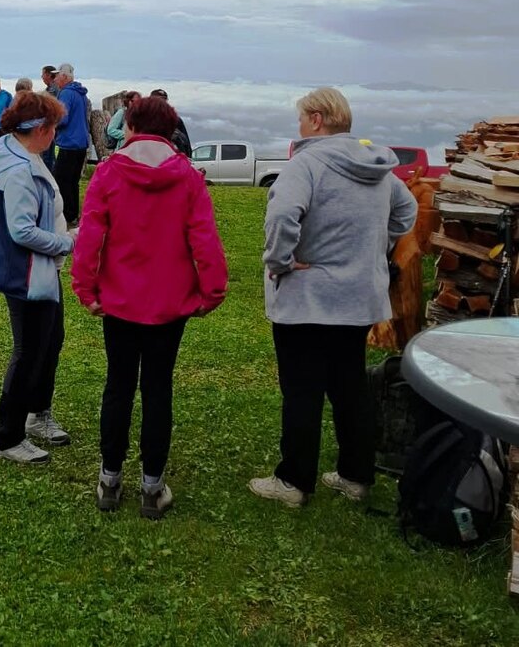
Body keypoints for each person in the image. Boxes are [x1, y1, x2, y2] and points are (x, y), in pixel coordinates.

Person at [249, 86, 417, 506]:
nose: (299, 126)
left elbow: (283, 215)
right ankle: (355, 476)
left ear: (317, 119)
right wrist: (375, 248)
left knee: (302, 390)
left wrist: (281, 261)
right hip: (358, 297)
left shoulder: (305, 165)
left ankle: (293, 482)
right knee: (350, 386)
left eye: (302, 118)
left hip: (306, 300)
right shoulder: (378, 168)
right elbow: (407, 211)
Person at [72, 96, 228, 517]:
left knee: (118, 386)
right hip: (169, 304)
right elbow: (204, 240)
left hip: (119, 301)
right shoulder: (188, 177)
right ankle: (152, 486)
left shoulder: (108, 173)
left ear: (131, 127)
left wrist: (85, 289)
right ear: (170, 131)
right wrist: (212, 292)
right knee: (158, 389)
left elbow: (90, 236)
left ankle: (109, 479)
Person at [0, 91, 76, 464]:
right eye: (54, 127)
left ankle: (37, 413)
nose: (56, 134)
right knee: (29, 350)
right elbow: (23, 231)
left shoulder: (5, 150)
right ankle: (8, 437)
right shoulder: (20, 170)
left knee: (51, 341)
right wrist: (68, 241)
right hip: (28, 273)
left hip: (41, 270)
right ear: (41, 128)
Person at [51, 63, 89, 228]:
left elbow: (63, 119)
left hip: (68, 143)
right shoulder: (80, 94)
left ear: (64, 77)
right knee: (73, 181)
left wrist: (49, 122)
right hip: (81, 142)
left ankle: (66, 215)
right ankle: (73, 214)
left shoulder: (66, 93)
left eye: (57, 76)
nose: (55, 79)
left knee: (62, 180)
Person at [151, 89, 192, 155]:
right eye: (158, 100)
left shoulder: (175, 119)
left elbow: (186, 143)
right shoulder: (145, 120)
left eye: (164, 100)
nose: (162, 102)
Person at [39, 66, 59, 172]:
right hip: (50, 125)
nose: (42, 77)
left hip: (51, 125)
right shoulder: (51, 89)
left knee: (49, 156)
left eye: (43, 74)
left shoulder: (53, 90)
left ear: (48, 75)